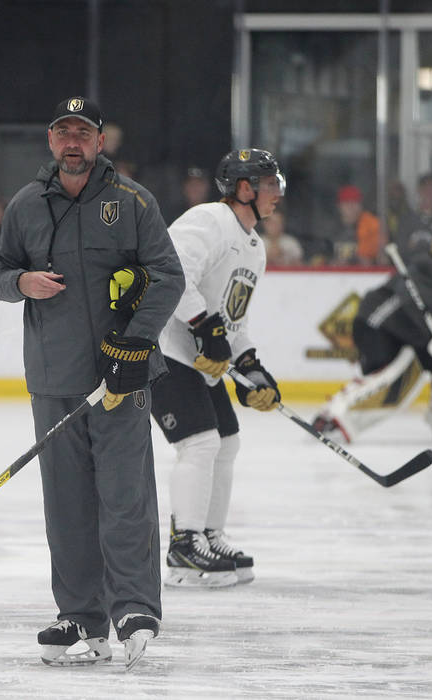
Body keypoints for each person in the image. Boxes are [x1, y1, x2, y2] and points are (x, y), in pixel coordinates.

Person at [0, 96, 184, 668]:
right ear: (50, 141)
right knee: (66, 502)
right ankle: (80, 613)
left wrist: (136, 341)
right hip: (53, 377)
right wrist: (21, 281)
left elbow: (168, 275)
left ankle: (134, 608)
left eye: (83, 132)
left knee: (125, 497)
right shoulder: (26, 205)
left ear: (101, 142)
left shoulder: (132, 201)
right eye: (62, 132)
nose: (72, 142)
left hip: (119, 376)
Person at [150, 148, 285, 589]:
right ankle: (185, 546)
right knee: (201, 443)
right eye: (268, 185)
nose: (276, 194)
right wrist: (204, 327)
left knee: (227, 442)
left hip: (197, 360)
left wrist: (251, 366)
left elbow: (233, 320)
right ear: (243, 189)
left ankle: (208, 534)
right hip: (165, 349)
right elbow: (170, 275)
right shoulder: (207, 220)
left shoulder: (253, 247)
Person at [312, 228, 432, 443]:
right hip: (380, 325)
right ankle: (336, 416)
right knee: (395, 377)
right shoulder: (427, 267)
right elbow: (423, 305)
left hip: (398, 330)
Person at [333, 185, 383, 266]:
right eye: (347, 203)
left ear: (360, 205)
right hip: (333, 276)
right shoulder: (330, 230)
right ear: (339, 206)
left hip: (364, 276)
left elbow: (374, 261)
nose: (351, 207)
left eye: (354, 202)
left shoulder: (371, 226)